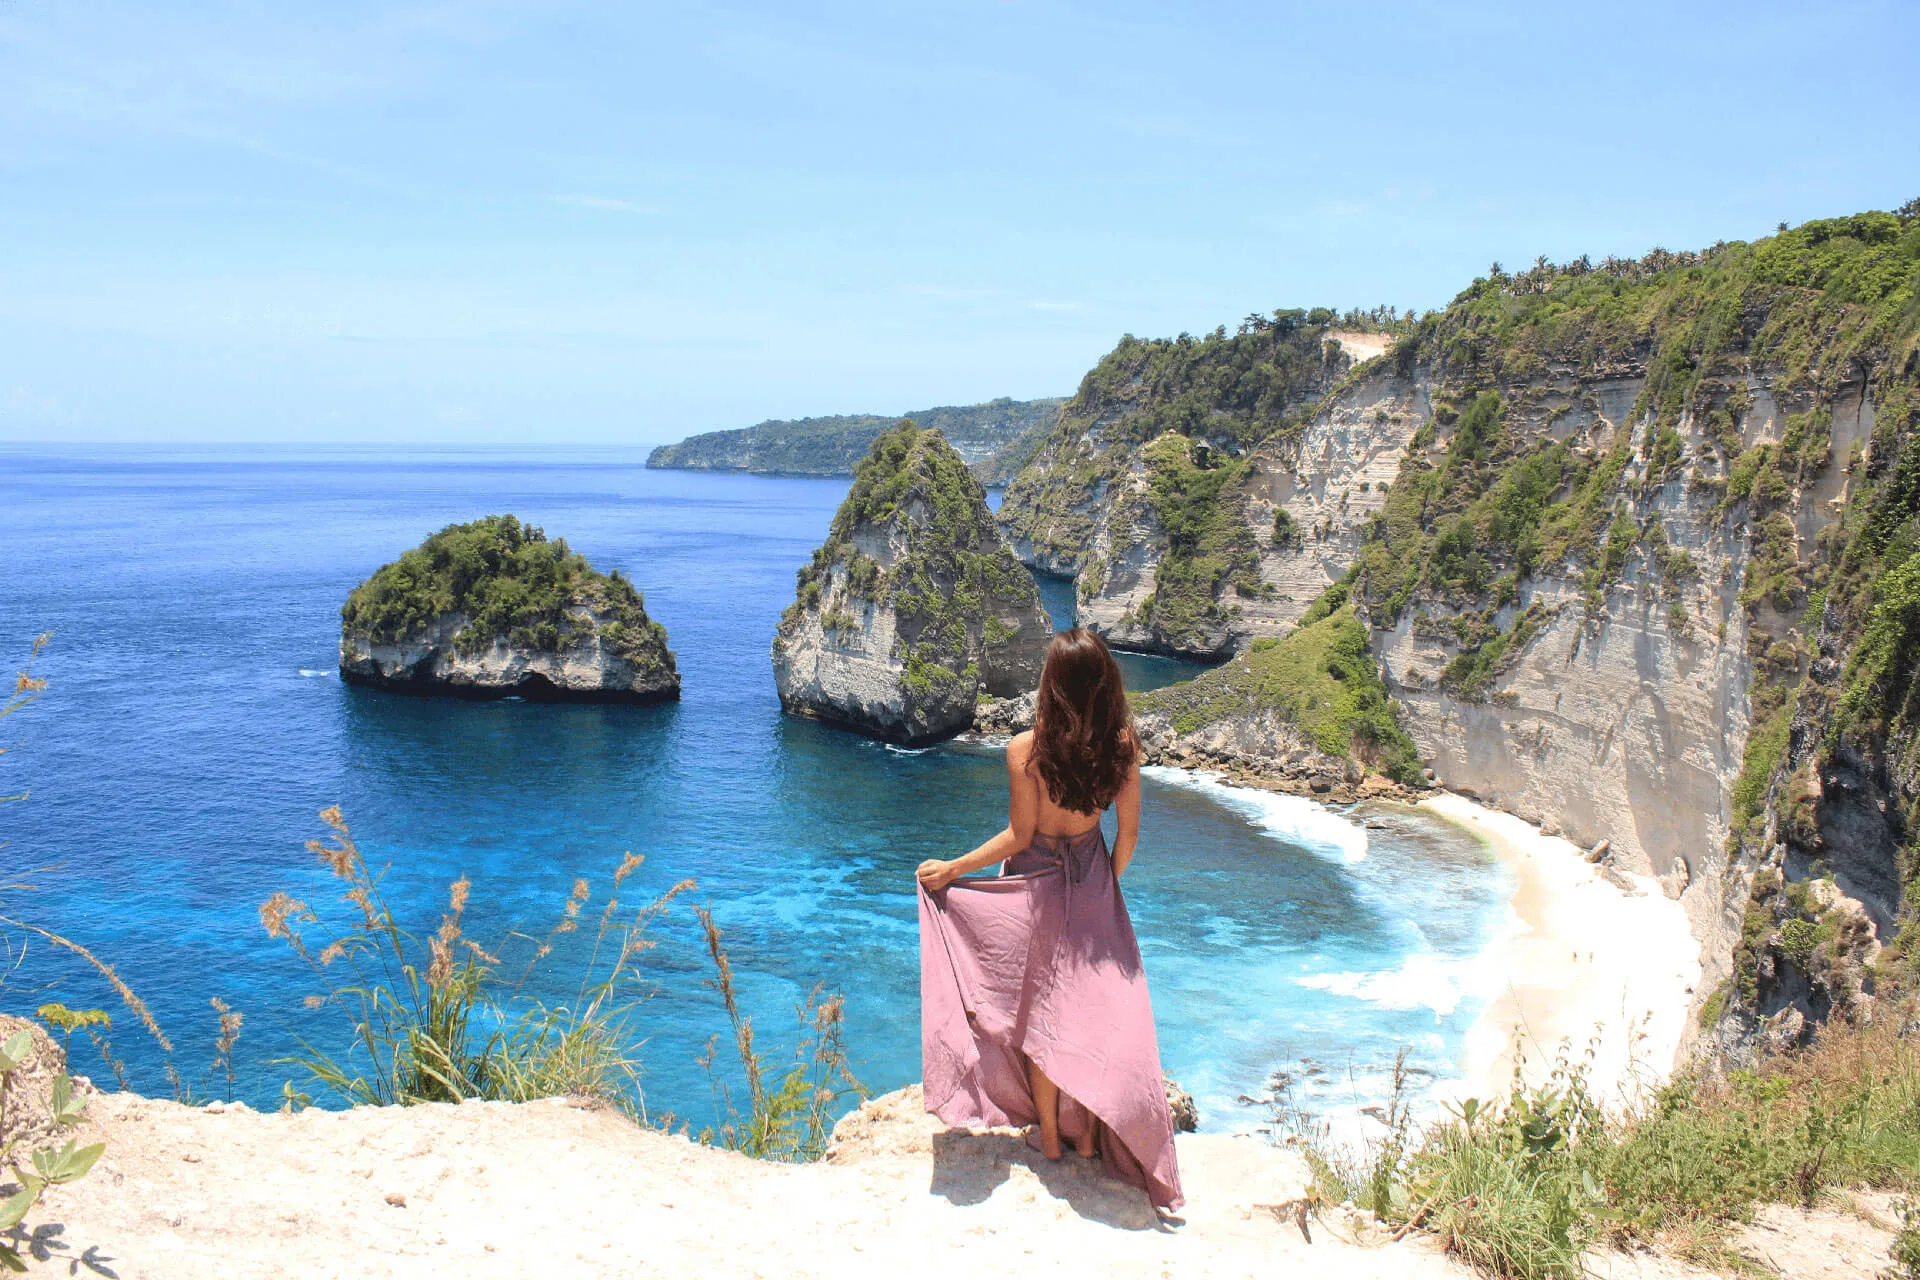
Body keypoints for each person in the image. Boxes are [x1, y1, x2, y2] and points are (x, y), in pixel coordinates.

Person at [915, 628, 1183, 1212]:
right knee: (1090, 1013)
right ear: (1105, 683)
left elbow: (1020, 835)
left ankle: (1051, 1139)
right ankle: (1087, 1135)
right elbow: (1129, 837)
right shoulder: (1122, 745)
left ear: (1052, 686)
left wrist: (955, 870)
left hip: (1032, 887)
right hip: (1091, 878)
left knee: (1035, 1011)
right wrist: (1103, 882)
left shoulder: (1024, 750)